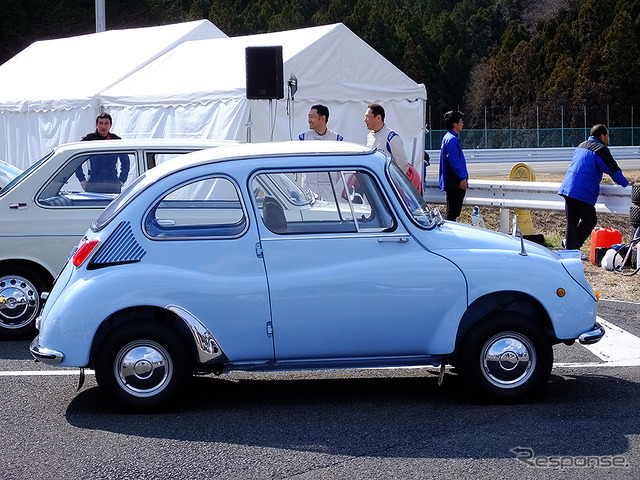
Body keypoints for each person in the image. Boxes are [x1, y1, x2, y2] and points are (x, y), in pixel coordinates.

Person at [559, 124, 631, 250]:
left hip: (567, 188)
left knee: (571, 223)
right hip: (582, 191)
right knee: (590, 220)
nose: (608, 139)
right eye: (607, 136)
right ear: (602, 136)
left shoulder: (581, 145)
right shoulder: (600, 149)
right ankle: (573, 247)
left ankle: (570, 250)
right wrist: (625, 183)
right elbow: (612, 170)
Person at [364, 103, 422, 193]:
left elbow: (402, 164)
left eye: (367, 117)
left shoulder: (391, 137)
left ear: (378, 118)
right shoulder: (369, 136)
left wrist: (391, 182)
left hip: (389, 186)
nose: (365, 120)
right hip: (375, 184)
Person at [75, 113, 129, 193]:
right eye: (101, 123)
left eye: (106, 123)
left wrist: (122, 180)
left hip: (112, 183)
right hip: (94, 183)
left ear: (110, 125)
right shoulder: (88, 140)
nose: (103, 127)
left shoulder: (116, 140)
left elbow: (125, 162)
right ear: (96, 125)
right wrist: (82, 180)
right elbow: (76, 160)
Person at [439, 110, 468, 221]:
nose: (462, 123)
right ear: (454, 124)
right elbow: (454, 161)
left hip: (452, 181)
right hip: (455, 182)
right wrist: (462, 178)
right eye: (460, 121)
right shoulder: (451, 139)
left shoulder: (449, 138)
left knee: (452, 212)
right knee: (452, 213)